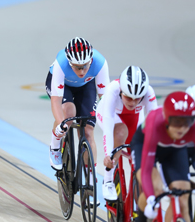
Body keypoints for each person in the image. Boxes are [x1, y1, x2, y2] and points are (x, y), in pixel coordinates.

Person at [46, 37, 109, 171]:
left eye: (85, 66)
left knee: (88, 131)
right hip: (64, 85)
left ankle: (90, 173)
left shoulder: (100, 63)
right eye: (77, 67)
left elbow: (105, 100)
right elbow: (56, 100)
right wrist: (60, 123)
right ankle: (55, 146)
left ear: (90, 60)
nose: (81, 71)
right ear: (70, 63)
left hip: (86, 85)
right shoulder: (61, 63)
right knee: (69, 113)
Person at [131, 91, 195, 222]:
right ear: (167, 118)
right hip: (144, 144)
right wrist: (150, 199)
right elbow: (147, 170)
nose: (182, 128)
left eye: (187, 121)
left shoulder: (192, 128)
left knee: (183, 196)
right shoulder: (155, 123)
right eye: (176, 121)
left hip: (174, 150)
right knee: (155, 189)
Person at [96, 66, 158, 201]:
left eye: (137, 99)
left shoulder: (149, 92)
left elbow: (154, 127)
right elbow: (108, 126)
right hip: (110, 116)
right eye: (128, 97)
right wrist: (108, 155)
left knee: (137, 155)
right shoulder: (113, 89)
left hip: (133, 118)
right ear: (121, 92)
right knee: (120, 132)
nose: (133, 102)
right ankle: (108, 181)